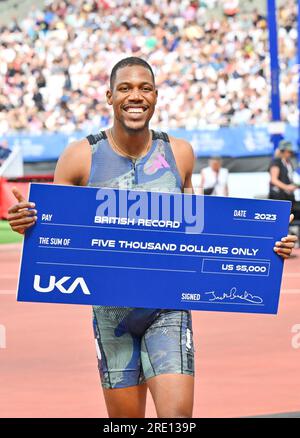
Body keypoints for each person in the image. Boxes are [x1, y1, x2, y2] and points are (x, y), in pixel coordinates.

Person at [7, 57, 297, 418]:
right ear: (109, 96)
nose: (135, 96)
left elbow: (201, 233)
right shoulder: (81, 156)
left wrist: (264, 250)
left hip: (168, 307)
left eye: (145, 88)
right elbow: (54, 228)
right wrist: (28, 223)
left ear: (156, 96)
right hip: (112, 314)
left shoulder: (180, 153)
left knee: (176, 420)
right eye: (126, 88)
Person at [269, 140, 300, 220]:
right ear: (283, 151)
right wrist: (287, 187)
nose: (290, 153)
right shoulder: (276, 161)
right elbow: (274, 180)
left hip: (288, 197)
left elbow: (288, 178)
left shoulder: (288, 162)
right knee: (280, 218)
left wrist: (294, 186)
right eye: (288, 151)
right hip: (279, 197)